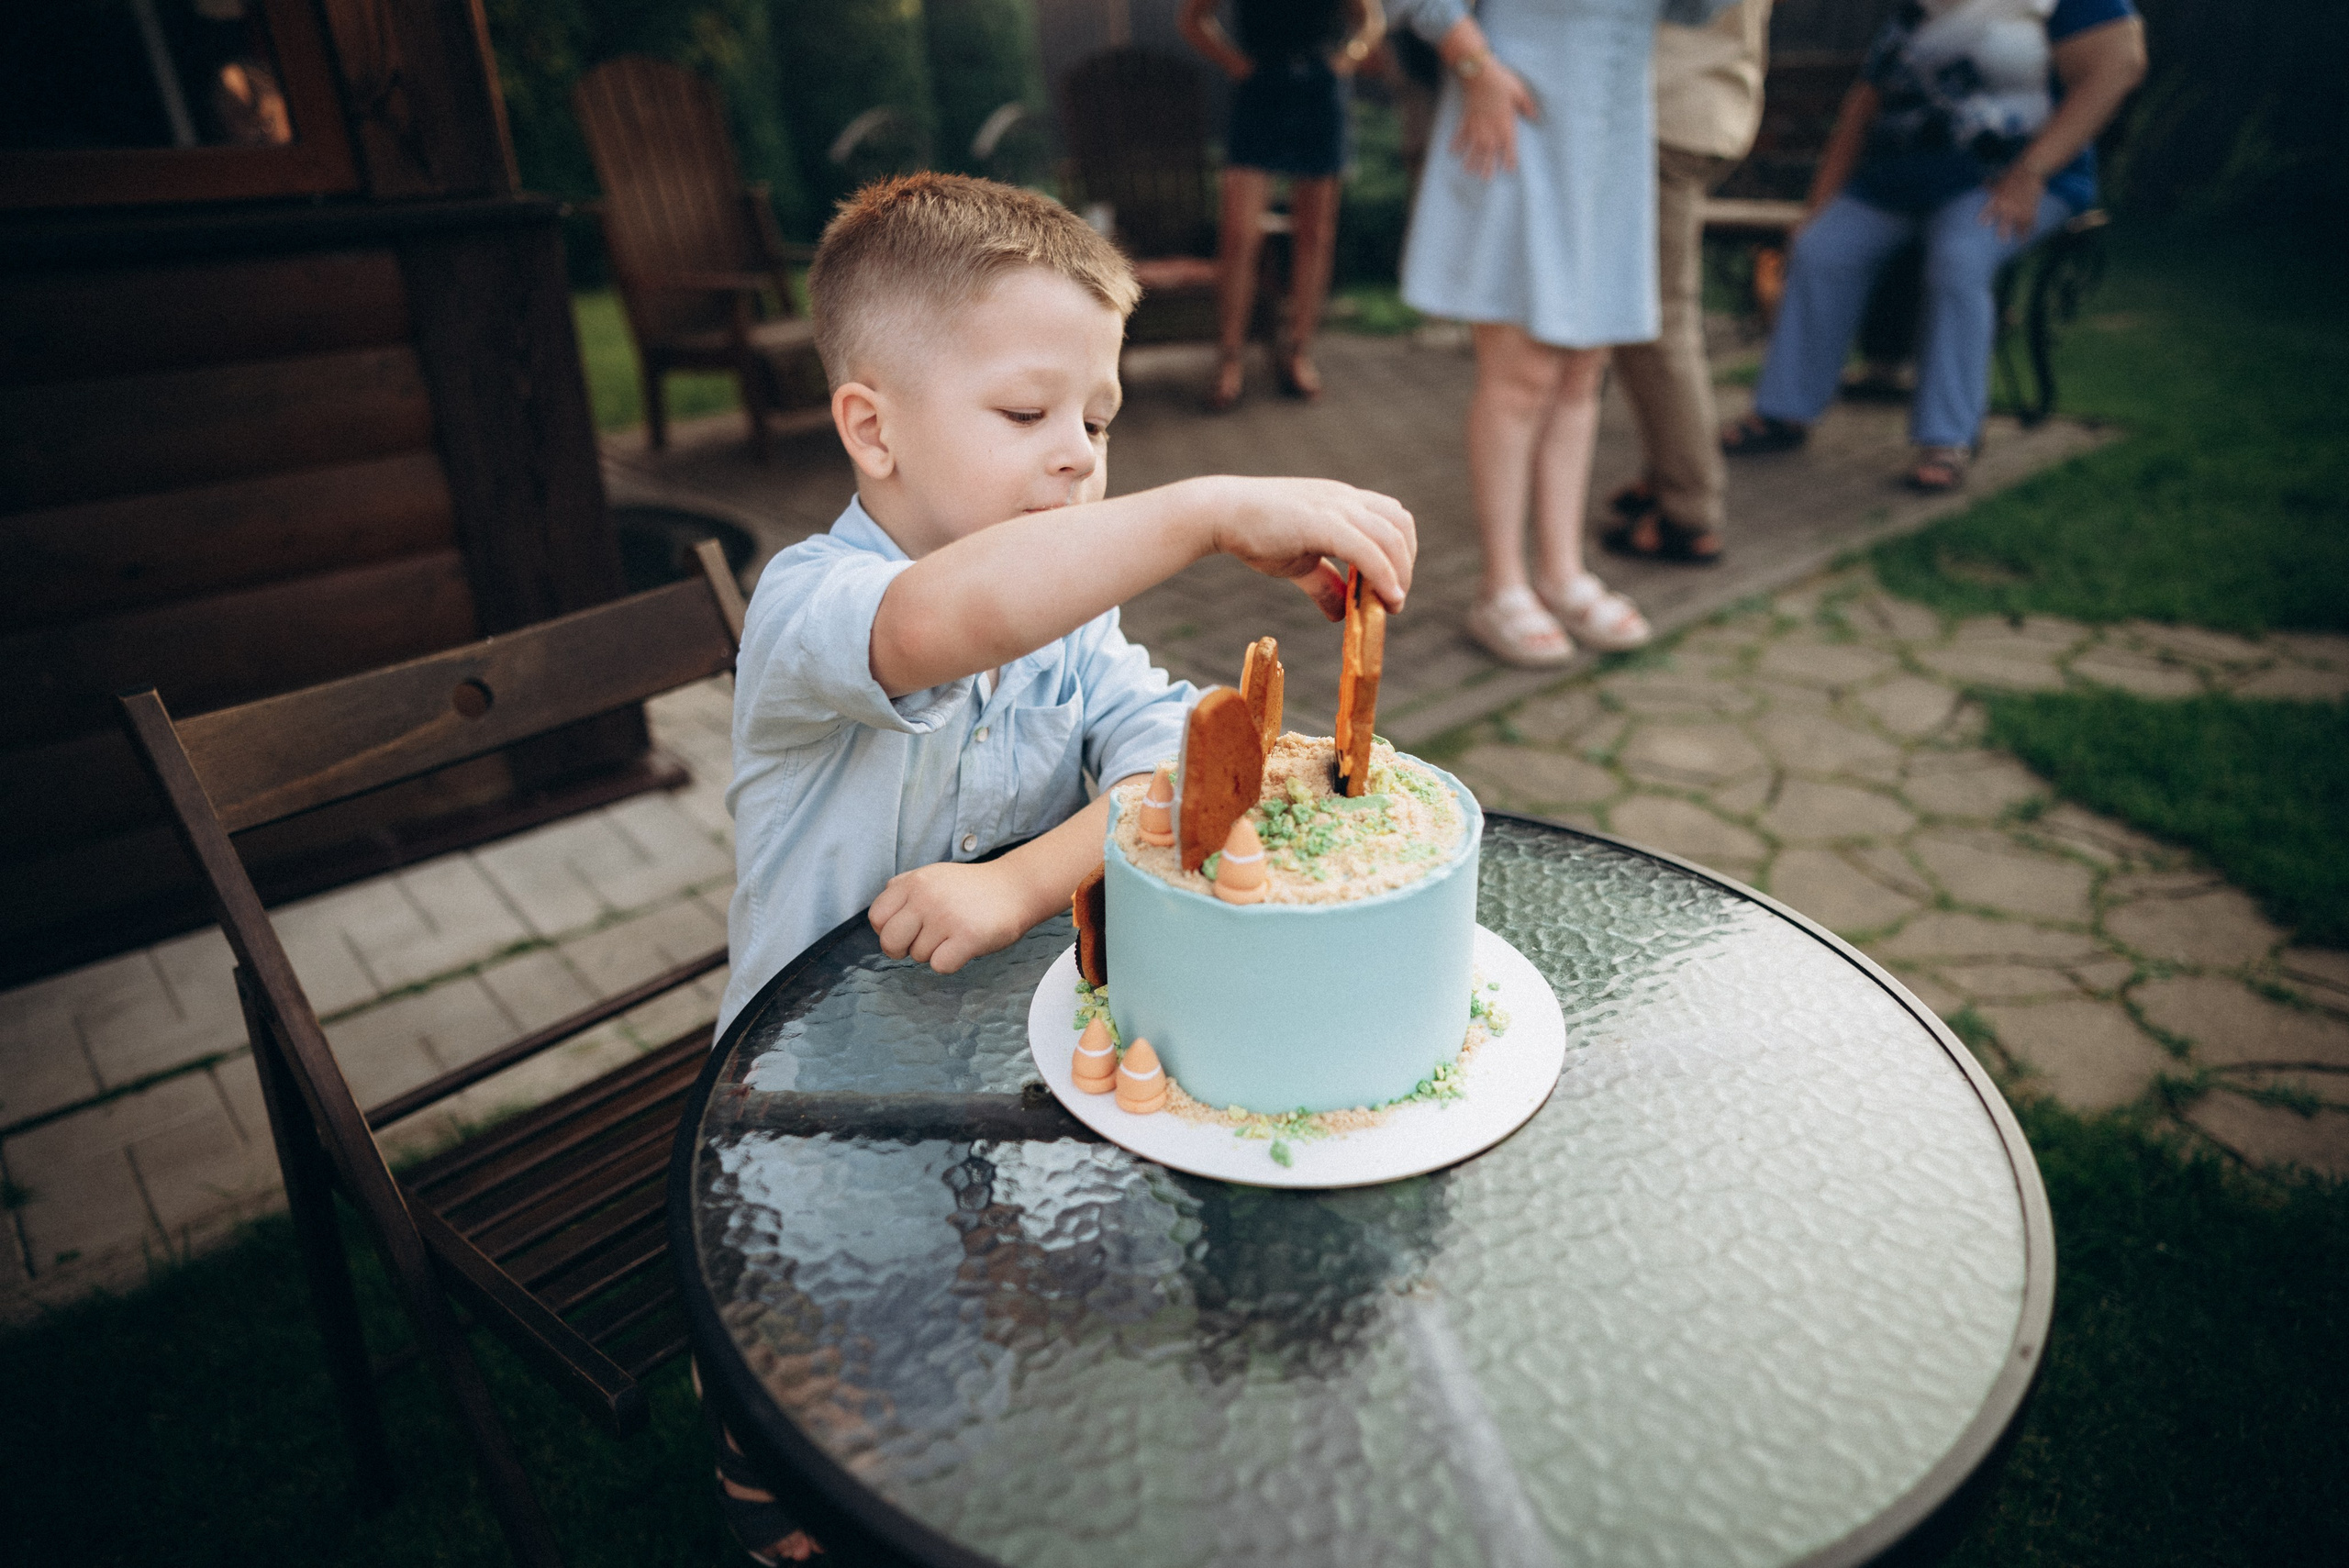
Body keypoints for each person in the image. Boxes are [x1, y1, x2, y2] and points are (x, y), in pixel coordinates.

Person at [709, 171, 1417, 1562]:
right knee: (842, 1421)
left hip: (1006, 1063)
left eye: (1099, 420)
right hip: (812, 1112)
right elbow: (939, 623)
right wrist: (1210, 505)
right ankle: (762, 1442)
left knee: (1026, 1362)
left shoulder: (1070, 628)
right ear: (873, 427)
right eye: (1029, 414)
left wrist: (1024, 880)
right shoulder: (811, 607)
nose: (1078, 458)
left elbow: (1187, 766)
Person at [1386, 0, 1741, 669]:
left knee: (1582, 375)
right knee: (1521, 377)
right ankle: (1501, 587)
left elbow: (1695, 12)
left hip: (1609, 146)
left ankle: (1561, 572)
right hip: (1516, 124)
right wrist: (1474, 64)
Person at [1722, 0, 2146, 491]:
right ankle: (1784, 412)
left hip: (2004, 180)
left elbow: (2120, 65)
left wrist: (2032, 171)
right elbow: (1864, 107)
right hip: (1895, 181)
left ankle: (1947, 439)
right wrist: (1819, 206)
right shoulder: (1917, 10)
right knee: (1822, 248)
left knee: (1959, 257)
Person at [1602, 0, 1774, 565]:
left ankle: (1689, 512)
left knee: (1658, 318)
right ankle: (1665, 473)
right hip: (1706, 102)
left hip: (1668, 110)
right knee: (1645, 312)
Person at [1180, 0, 1387, 411]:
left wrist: (1349, 58)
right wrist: (1233, 62)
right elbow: (1192, 19)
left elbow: (1370, 18)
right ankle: (1230, 358)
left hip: (1320, 89)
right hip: (1261, 88)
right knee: (1239, 234)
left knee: (1315, 235)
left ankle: (1296, 353)